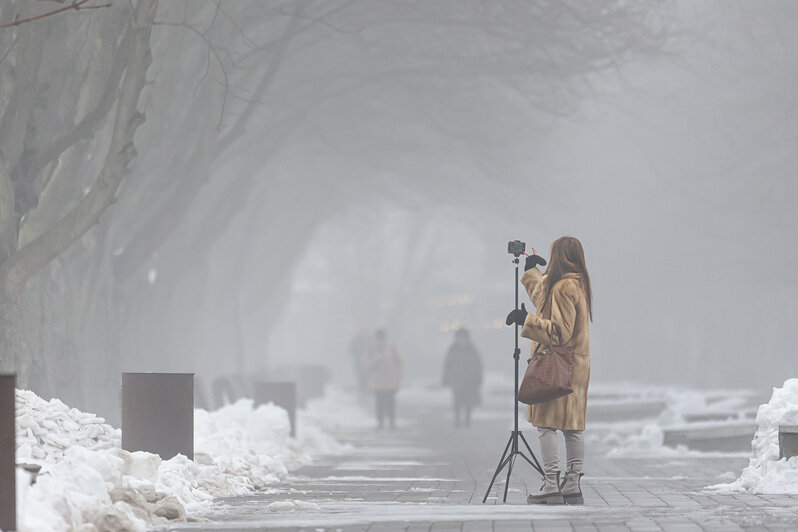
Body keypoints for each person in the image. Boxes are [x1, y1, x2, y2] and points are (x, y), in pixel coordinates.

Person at [506, 236, 593, 506]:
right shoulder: (574, 284)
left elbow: (559, 332)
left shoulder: (563, 287)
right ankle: (572, 484)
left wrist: (527, 321)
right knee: (573, 427)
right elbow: (547, 304)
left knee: (546, 426)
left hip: (557, 364)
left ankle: (551, 483)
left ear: (560, 256)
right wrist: (532, 273)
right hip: (575, 365)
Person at [441, 328, 483, 428]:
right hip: (457, 380)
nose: (461, 340)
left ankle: (467, 421)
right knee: (457, 402)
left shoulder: (472, 349)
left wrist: (478, 377)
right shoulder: (453, 349)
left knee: (469, 402)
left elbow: (477, 364)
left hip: (470, 380)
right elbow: (447, 364)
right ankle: (457, 421)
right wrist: (446, 377)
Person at [361, 329, 403, 429]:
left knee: (391, 403)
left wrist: (398, 377)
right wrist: (375, 361)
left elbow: (400, 363)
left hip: (391, 381)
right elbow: (365, 365)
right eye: (378, 338)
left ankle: (392, 422)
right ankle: (380, 422)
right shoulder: (371, 350)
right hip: (377, 382)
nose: (380, 341)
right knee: (379, 403)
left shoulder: (392, 349)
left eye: (382, 338)